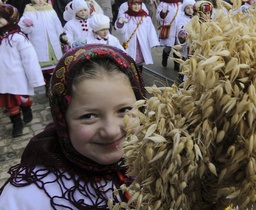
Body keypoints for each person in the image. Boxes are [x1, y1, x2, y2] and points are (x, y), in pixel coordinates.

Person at [0, 44, 146, 209]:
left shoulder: (158, 161)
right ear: (62, 120)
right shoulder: (27, 198)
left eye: (124, 110)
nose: (111, 131)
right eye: (89, 116)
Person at [0, 3, 45, 138]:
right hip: (2, 78)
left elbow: (29, 59)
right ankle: (16, 123)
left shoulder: (18, 38)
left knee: (22, 99)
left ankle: (27, 108)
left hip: (17, 77)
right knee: (10, 104)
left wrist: (35, 78)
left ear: (10, 19)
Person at [19, 0, 64, 97]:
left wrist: (62, 37)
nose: (40, 1)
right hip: (39, 42)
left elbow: (57, 25)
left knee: (54, 66)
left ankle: (54, 85)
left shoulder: (50, 9)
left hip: (53, 42)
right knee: (43, 67)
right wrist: (27, 24)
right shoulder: (29, 10)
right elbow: (23, 27)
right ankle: (47, 84)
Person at [115, 0, 159, 72]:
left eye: (138, 5)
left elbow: (150, 31)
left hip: (141, 43)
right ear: (130, 5)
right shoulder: (126, 16)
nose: (136, 6)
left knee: (139, 62)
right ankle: (131, 76)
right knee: (130, 60)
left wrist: (153, 42)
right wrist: (120, 23)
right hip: (130, 43)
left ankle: (139, 76)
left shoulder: (145, 18)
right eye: (134, 4)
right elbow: (121, 31)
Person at [156, 0, 181, 68]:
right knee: (168, 47)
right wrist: (163, 13)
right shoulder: (163, 4)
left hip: (178, 29)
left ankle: (177, 64)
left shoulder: (179, 4)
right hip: (169, 29)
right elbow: (158, 17)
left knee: (177, 47)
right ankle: (165, 57)